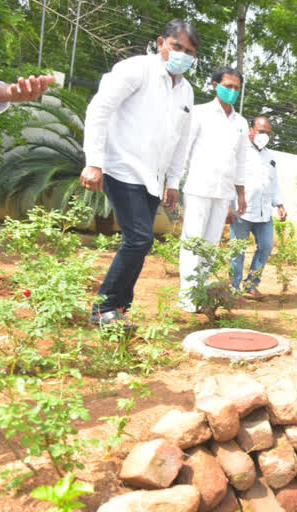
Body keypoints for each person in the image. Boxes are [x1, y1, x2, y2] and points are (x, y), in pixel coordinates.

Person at [80, 19, 199, 327]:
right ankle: (104, 307)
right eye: (176, 47)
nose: (181, 54)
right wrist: (94, 161)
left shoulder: (186, 92)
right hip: (121, 166)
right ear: (161, 43)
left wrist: (174, 181)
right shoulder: (136, 70)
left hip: (153, 178)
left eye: (189, 51)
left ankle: (118, 309)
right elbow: (99, 110)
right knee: (139, 239)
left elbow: (181, 141)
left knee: (141, 242)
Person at [178, 66, 248, 311]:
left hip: (224, 192)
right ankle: (188, 297)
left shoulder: (241, 122)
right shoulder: (200, 113)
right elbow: (184, 151)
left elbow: (241, 160)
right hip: (198, 187)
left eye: (236, 88)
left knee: (210, 244)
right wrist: (174, 183)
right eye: (228, 86)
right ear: (214, 85)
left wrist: (240, 195)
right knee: (193, 241)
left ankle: (202, 293)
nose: (232, 91)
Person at [229, 116, 287, 300]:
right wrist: (228, 206)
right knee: (237, 250)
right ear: (251, 130)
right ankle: (234, 287)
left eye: (268, 133)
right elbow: (229, 179)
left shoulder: (270, 156)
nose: (265, 136)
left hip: (264, 213)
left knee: (267, 246)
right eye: (262, 132)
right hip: (242, 211)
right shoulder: (239, 152)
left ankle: (251, 284)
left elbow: (274, 182)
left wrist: (280, 204)